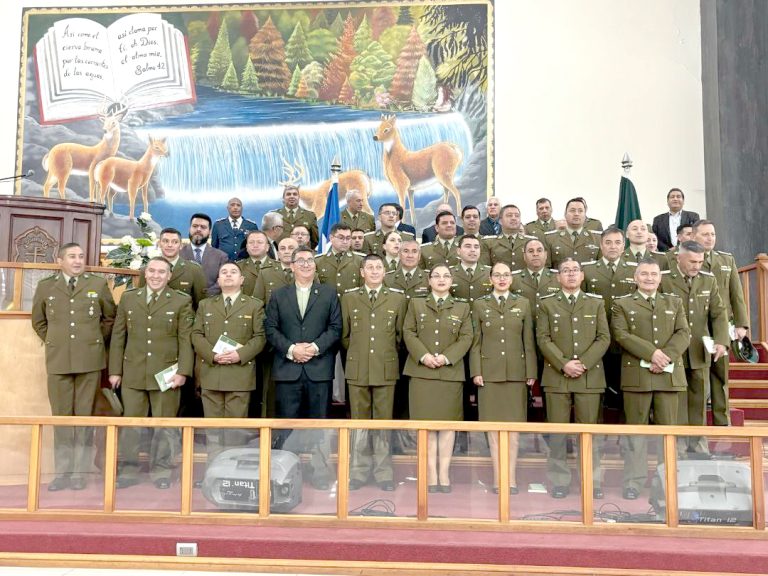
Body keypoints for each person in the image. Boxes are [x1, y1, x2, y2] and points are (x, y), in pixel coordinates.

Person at [31, 243, 117, 491]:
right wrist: (55, 340)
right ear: (60, 260)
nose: (78, 261)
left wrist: (93, 340)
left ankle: (80, 473)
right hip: (58, 361)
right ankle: (62, 473)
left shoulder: (97, 285)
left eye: (80, 256)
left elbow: (109, 317)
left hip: (89, 360)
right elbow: (39, 321)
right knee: (62, 419)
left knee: (84, 417)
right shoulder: (47, 286)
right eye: (72, 256)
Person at [108, 256, 195, 489]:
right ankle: (128, 469)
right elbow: (118, 336)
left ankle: (162, 470)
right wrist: (115, 370)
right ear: (145, 274)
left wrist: (183, 372)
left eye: (162, 272)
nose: (156, 276)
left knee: (164, 425)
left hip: (167, 373)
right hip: (133, 372)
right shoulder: (128, 298)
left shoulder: (180, 301)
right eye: (152, 271)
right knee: (131, 425)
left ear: (169, 276)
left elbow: (185, 339)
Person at [611, 258, 690, 500]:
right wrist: (652, 354)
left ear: (660, 277)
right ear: (635, 278)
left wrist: (664, 357)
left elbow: (684, 333)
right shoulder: (621, 304)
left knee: (669, 433)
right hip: (638, 376)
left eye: (653, 274)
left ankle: (667, 482)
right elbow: (621, 335)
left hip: (668, 375)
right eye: (644, 274)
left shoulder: (674, 302)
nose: (649, 278)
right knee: (636, 433)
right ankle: (634, 482)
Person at [264, 245, 342, 490]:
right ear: (291, 266)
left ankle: (320, 472)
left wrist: (314, 348)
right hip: (288, 370)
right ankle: (284, 473)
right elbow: (271, 329)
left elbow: (336, 328)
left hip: (318, 369)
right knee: (287, 426)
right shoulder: (278, 295)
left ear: (315, 265)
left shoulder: (329, 294)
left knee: (319, 426)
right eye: (301, 260)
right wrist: (291, 350)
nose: (306, 264)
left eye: (310, 260)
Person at [537, 259, 610, 499]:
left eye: (575, 271)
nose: (570, 274)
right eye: (565, 271)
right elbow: (543, 339)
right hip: (557, 375)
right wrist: (563, 364)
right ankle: (559, 480)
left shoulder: (596, 303)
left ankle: (592, 480)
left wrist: (583, 364)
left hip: (589, 376)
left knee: (588, 433)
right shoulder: (547, 304)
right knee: (557, 434)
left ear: (582, 276)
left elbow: (603, 338)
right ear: (558, 278)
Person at [403, 265, 473, 492]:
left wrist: (446, 357)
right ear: (429, 280)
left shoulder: (462, 307)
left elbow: (466, 337)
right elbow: (408, 332)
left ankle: (444, 474)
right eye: (436, 276)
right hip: (421, 373)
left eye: (446, 276)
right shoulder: (416, 303)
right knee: (426, 428)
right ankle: (430, 474)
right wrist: (423, 356)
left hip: (450, 373)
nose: (441, 279)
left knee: (447, 428)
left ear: (452, 280)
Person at [341, 254, 407, 491]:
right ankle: (358, 471)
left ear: (385, 271)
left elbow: (400, 337)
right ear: (362, 272)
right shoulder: (349, 298)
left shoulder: (397, 299)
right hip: (358, 368)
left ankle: (383, 473)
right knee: (359, 424)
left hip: (385, 368)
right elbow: (345, 336)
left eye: (379, 267)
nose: (375, 271)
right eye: (370, 267)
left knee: (383, 424)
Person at [470, 262, 537, 495]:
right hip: (489, 375)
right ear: (490, 278)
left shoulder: (523, 303)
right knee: (493, 431)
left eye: (506, 275)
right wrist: (476, 371)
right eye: (497, 275)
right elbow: (475, 341)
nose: (501, 278)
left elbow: (528, 340)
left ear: (511, 279)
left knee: (514, 432)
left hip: (516, 374)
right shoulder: (479, 304)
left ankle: (512, 479)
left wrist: (531, 372)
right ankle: (499, 479)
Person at [191, 263, 266, 460]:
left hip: (239, 375)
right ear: (218, 280)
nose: (228, 275)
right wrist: (212, 355)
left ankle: (231, 471)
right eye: (224, 272)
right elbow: (196, 334)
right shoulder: (205, 305)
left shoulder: (254, 305)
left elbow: (260, 337)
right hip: (211, 372)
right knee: (213, 430)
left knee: (235, 430)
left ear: (242, 280)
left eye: (233, 272)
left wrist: (240, 355)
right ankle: (213, 470)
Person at [661, 241, 729, 455]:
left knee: (699, 399)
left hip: (699, 349)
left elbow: (718, 313)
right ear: (678, 258)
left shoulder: (708, 280)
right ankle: (679, 447)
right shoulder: (663, 279)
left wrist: (721, 340)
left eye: (700, 261)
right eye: (692, 261)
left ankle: (699, 446)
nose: (696, 266)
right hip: (673, 350)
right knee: (677, 400)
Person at [693, 219, 749, 426]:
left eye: (713, 234)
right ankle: (697, 426)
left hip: (721, 327)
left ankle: (722, 422)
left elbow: (737, 293)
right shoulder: (685, 259)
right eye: (705, 234)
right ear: (694, 236)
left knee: (721, 377)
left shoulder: (726, 260)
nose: (710, 238)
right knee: (698, 377)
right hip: (697, 327)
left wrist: (742, 324)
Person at [581, 227, 638, 413]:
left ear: (624, 246)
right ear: (601, 245)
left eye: (617, 242)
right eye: (608, 242)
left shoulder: (635, 270)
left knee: (625, 390)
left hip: (627, 339)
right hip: (595, 338)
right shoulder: (587, 270)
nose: (613, 247)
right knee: (598, 389)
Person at [140, 228, 207, 310]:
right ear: (159, 244)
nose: (170, 245)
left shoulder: (194, 270)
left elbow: (201, 304)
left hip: (182, 320)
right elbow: (141, 300)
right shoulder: (146, 269)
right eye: (165, 241)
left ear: (181, 245)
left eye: (175, 242)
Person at [511, 238, 560, 321]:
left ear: (546, 254)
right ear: (524, 256)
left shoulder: (558, 278)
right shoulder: (513, 279)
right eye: (530, 251)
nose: (535, 254)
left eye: (539, 250)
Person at [544, 198, 601, 269]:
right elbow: (546, 269)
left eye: (580, 211)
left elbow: (601, 269)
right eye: (572, 210)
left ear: (585, 215)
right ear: (565, 214)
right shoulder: (550, 239)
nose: (576, 214)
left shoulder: (597, 239)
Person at [181, 213, 229, 296]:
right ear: (190, 228)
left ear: (209, 232)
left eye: (203, 227)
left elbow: (222, 281)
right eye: (195, 226)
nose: (198, 229)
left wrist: (204, 298)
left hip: (211, 304)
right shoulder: (178, 254)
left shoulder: (221, 257)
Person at [314, 223, 363, 297]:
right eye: (341, 238)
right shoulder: (318, 261)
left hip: (350, 305)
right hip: (327, 305)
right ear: (331, 238)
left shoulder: (360, 261)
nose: (345, 242)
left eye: (348, 238)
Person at [486, 204, 538, 270]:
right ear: (500, 221)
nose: (514, 218)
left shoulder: (532, 242)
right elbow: (486, 270)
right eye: (509, 215)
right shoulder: (489, 242)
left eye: (517, 216)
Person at [652, 188, 700, 252]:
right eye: (672, 197)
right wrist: (668, 250)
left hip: (688, 252)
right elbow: (655, 237)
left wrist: (678, 248)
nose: (675, 199)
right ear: (667, 201)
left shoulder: (693, 216)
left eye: (678, 197)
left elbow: (696, 235)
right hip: (665, 254)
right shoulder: (658, 219)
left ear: (683, 201)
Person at [211, 197, 259, 261]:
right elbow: (214, 248)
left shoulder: (251, 226)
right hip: (224, 264)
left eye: (238, 205)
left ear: (242, 208)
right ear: (228, 208)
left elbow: (256, 247)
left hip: (245, 265)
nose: (235, 207)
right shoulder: (218, 225)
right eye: (232, 205)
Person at [252, 237, 297, 304]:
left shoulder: (308, 272)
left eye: (291, 248)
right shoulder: (265, 273)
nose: (286, 251)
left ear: (298, 252)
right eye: (282, 248)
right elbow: (257, 303)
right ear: (278, 254)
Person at [237, 230, 273, 296]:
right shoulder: (237, 268)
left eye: (260, 242)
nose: (255, 245)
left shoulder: (279, 267)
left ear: (267, 247)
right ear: (247, 247)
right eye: (251, 242)